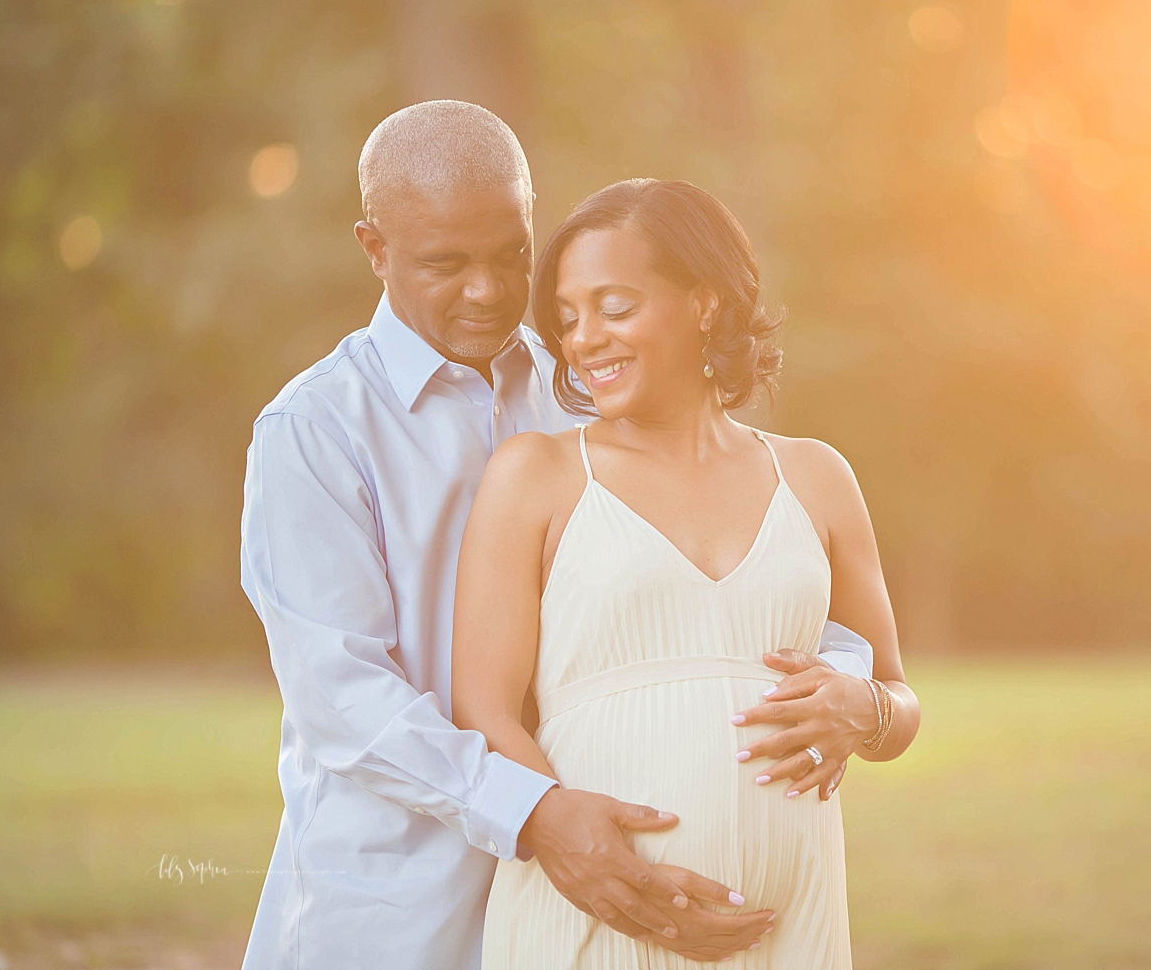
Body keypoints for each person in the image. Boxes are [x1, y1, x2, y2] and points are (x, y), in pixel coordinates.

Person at [237, 101, 880, 970]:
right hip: (399, 903)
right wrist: (535, 812)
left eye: (511, 255)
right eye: (444, 264)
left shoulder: (580, 386)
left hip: (603, 881)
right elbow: (342, 697)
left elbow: (752, 583)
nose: (490, 290)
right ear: (374, 249)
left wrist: (850, 691)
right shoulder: (315, 431)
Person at [453, 177, 920, 968]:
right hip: (592, 919)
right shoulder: (536, 474)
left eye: (616, 305)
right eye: (567, 317)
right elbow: (484, 710)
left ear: (703, 303)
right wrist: (582, 850)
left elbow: (899, 700)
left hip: (787, 925)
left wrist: (862, 706)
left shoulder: (817, 476)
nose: (584, 338)